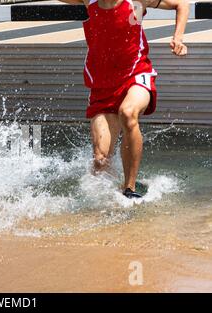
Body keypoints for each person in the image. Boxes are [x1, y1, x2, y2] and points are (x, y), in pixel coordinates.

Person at [58, 0, 188, 198]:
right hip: (102, 86)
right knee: (101, 160)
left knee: (128, 113)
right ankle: (108, 198)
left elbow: (181, 4)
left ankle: (130, 188)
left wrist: (178, 38)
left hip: (136, 74)